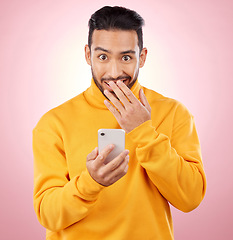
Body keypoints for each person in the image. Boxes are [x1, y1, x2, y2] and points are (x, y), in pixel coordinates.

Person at [33, 6, 206, 240]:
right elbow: (48, 215)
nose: (114, 72)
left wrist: (143, 131)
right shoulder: (54, 123)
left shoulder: (173, 113)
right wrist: (90, 182)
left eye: (126, 57)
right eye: (103, 57)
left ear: (142, 57)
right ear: (88, 55)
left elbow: (190, 198)